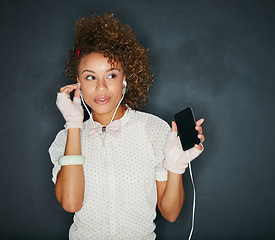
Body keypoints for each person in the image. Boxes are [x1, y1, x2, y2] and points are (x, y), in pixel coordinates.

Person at [48, 13, 205, 240]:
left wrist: (175, 168)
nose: (101, 88)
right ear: (78, 83)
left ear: (124, 79)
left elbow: (170, 213)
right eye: (90, 78)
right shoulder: (66, 139)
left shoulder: (153, 130)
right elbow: (71, 203)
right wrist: (73, 124)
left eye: (111, 75)